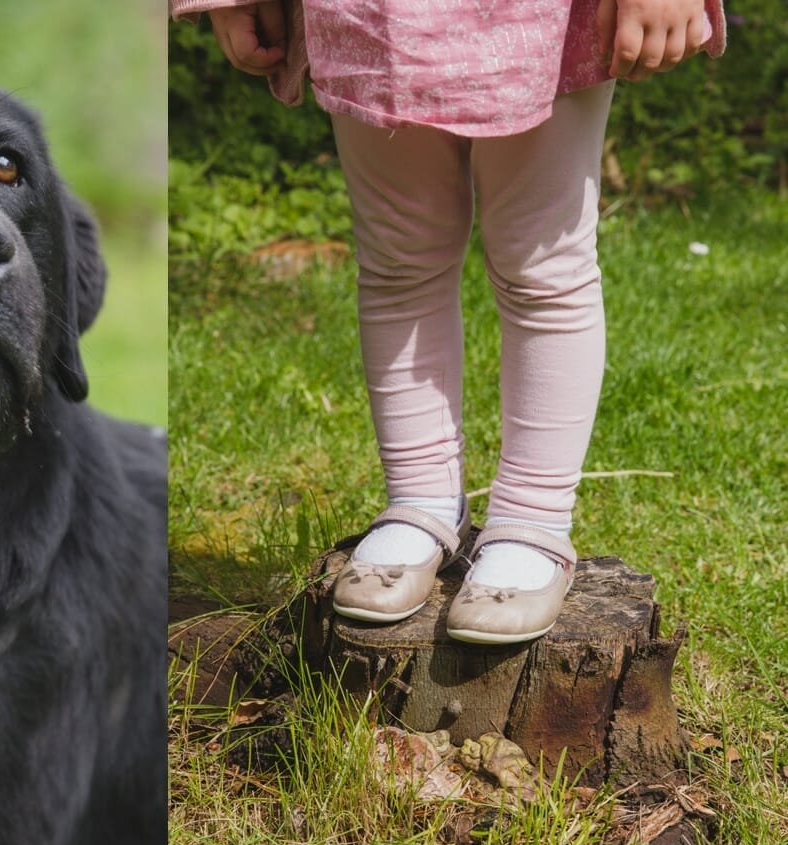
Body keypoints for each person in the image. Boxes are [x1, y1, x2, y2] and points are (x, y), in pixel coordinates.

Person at [172, 0, 725, 643]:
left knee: (542, 266)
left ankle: (534, 515)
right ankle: (422, 500)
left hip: (543, 17)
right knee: (399, 263)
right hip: (375, 16)